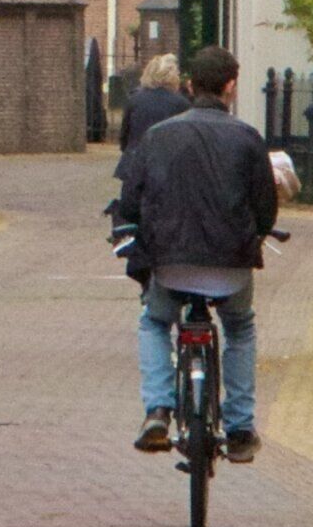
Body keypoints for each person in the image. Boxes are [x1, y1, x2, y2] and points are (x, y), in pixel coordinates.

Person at [111, 44, 277, 461]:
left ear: (189, 85)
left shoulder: (158, 137)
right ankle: (240, 428)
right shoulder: (247, 138)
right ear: (231, 87)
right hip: (231, 266)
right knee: (239, 327)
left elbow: (129, 200)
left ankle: (158, 409)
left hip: (170, 263)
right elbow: (265, 208)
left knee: (154, 323)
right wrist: (255, 234)